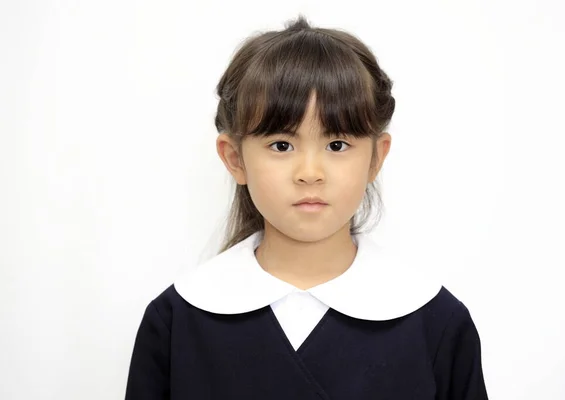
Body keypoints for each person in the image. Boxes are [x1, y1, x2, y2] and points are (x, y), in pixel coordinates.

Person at [125, 15, 488, 400]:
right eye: (281, 145)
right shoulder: (177, 322)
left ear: (376, 158)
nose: (310, 173)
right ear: (234, 159)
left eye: (337, 145)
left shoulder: (436, 322)